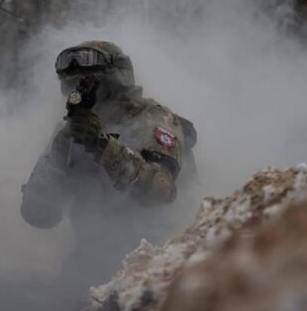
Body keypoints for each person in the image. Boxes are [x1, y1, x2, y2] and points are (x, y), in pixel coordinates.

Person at [20, 41, 197, 284]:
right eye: (72, 84)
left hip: (156, 262)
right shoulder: (73, 130)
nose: (78, 90)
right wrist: (60, 150)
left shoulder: (152, 117)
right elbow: (38, 214)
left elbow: (161, 192)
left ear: (114, 80)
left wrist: (101, 145)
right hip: (91, 262)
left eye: (87, 82)